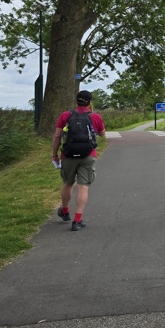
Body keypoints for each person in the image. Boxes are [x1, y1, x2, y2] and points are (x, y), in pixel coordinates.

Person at [52, 90, 106, 231]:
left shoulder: (66, 115)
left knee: (67, 183)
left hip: (68, 155)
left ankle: (65, 211)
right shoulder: (95, 116)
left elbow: (57, 136)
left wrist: (55, 155)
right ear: (89, 102)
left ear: (76, 101)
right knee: (83, 187)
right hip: (88, 155)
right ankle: (77, 221)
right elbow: (102, 134)